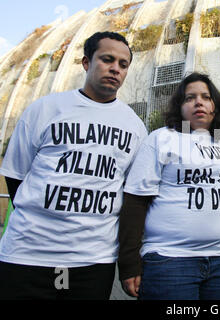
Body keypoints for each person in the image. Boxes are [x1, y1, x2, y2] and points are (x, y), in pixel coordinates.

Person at [0, 31, 148, 300]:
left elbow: (132, 195)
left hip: (93, 260)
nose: (115, 68)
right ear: (86, 63)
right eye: (107, 59)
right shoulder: (44, 109)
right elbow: (16, 177)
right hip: (29, 254)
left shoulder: (135, 126)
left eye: (123, 64)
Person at [118, 72, 220, 300]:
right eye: (189, 98)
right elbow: (135, 201)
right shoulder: (161, 138)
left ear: (215, 105)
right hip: (170, 261)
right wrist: (129, 262)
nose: (198, 102)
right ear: (179, 106)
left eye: (206, 96)